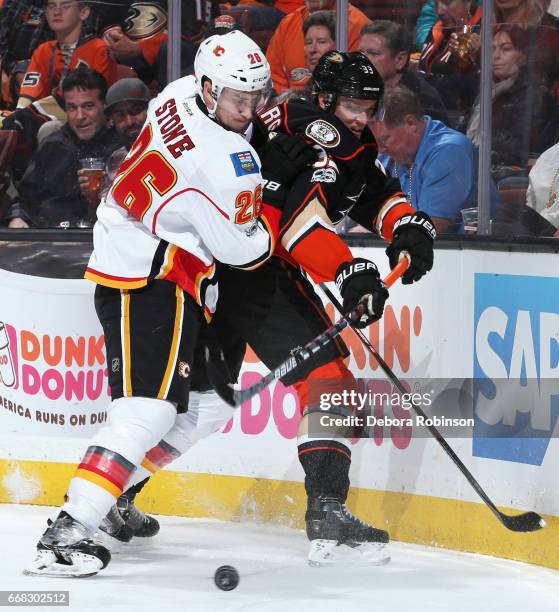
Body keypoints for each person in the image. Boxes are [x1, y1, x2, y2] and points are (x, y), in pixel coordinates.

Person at [103, 51, 436, 567]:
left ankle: (112, 493)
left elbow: (368, 191)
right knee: (328, 381)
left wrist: (406, 225)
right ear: (325, 99)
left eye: (369, 107)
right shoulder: (322, 137)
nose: (360, 117)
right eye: (351, 105)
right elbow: (297, 223)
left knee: (201, 407)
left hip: (214, 273)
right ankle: (327, 512)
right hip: (255, 275)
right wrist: (350, 272)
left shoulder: (312, 126)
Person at [24, 30, 319, 577]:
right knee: (150, 408)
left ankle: (115, 496)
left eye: (255, 97)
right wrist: (279, 191)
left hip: (153, 259)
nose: (248, 109)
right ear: (209, 89)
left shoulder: (178, 92)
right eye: (237, 98)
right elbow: (246, 251)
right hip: (149, 274)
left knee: (210, 403)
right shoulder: (230, 162)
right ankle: (66, 531)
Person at [8, 67, 125, 229]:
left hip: (102, 238)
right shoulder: (53, 145)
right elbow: (25, 199)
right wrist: (18, 219)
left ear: (104, 106)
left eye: (88, 106)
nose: (80, 116)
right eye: (72, 108)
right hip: (48, 239)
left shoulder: (122, 148)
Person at [371, 84, 491, 234]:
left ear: (411, 123)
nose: (379, 149)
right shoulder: (388, 154)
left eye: (384, 140)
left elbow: (428, 228)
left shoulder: (450, 151)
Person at [465, 24, 556, 183]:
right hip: (477, 172)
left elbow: (515, 154)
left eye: (506, 49)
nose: (495, 56)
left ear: (524, 56)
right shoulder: (488, 91)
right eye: (492, 49)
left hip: (505, 181)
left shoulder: (533, 97)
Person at [17, 0, 117, 108]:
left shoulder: (98, 49)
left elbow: (92, 102)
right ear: (45, 13)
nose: (57, 12)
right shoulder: (43, 50)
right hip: (47, 116)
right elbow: (28, 96)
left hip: (87, 116)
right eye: (51, 6)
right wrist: (19, 116)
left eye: (65, 6)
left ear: (83, 13)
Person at [77, 77, 151, 208]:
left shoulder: (169, 146)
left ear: (152, 108)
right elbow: (107, 218)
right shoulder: (115, 159)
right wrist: (93, 199)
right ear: (112, 120)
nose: (129, 121)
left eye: (136, 110)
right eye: (120, 115)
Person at [266, 0, 370, 93]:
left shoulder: (359, 27)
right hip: (292, 107)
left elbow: (355, 86)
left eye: (322, 41)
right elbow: (273, 79)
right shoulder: (288, 24)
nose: (313, 49)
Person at [359, 20, 449, 125]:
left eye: (373, 53)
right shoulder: (354, 90)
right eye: (361, 52)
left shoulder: (422, 100)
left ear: (400, 60)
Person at [419, 0, 482, 127]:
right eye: (436, 4)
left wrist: (479, 57)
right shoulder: (438, 28)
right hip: (427, 115)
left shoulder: (485, 29)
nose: (439, 11)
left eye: (447, 2)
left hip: (463, 122)